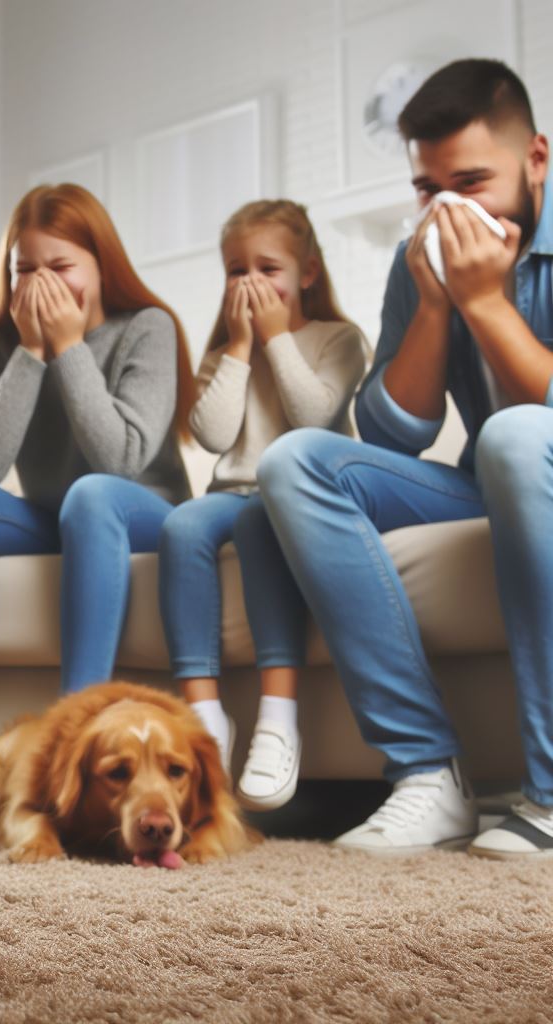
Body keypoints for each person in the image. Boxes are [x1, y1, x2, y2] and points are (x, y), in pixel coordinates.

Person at [257, 58, 553, 857]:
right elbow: (391, 437)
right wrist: (432, 304)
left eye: (472, 181)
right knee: (298, 462)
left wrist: (487, 303)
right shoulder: (420, 259)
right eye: (429, 189)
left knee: (516, 435)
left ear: (537, 160)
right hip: (499, 481)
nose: (448, 208)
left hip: (531, 457)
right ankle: (427, 774)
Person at [0, 183, 194, 803]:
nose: (43, 285)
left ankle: (74, 734)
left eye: (61, 267)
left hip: (141, 512)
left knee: (92, 495)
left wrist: (68, 347)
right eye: (25, 271)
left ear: (99, 264)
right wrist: (32, 351)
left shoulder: (148, 327)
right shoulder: (0, 343)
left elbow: (119, 458)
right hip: (57, 516)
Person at [158, 200, 365, 808]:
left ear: (306, 273)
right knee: (181, 524)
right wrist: (241, 347)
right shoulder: (225, 353)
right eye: (234, 270)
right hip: (229, 491)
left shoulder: (339, 340)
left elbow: (313, 418)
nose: (249, 283)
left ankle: (278, 719)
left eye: (267, 268)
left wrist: (276, 338)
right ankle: (204, 719)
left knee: (258, 521)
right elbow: (214, 436)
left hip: (297, 497)